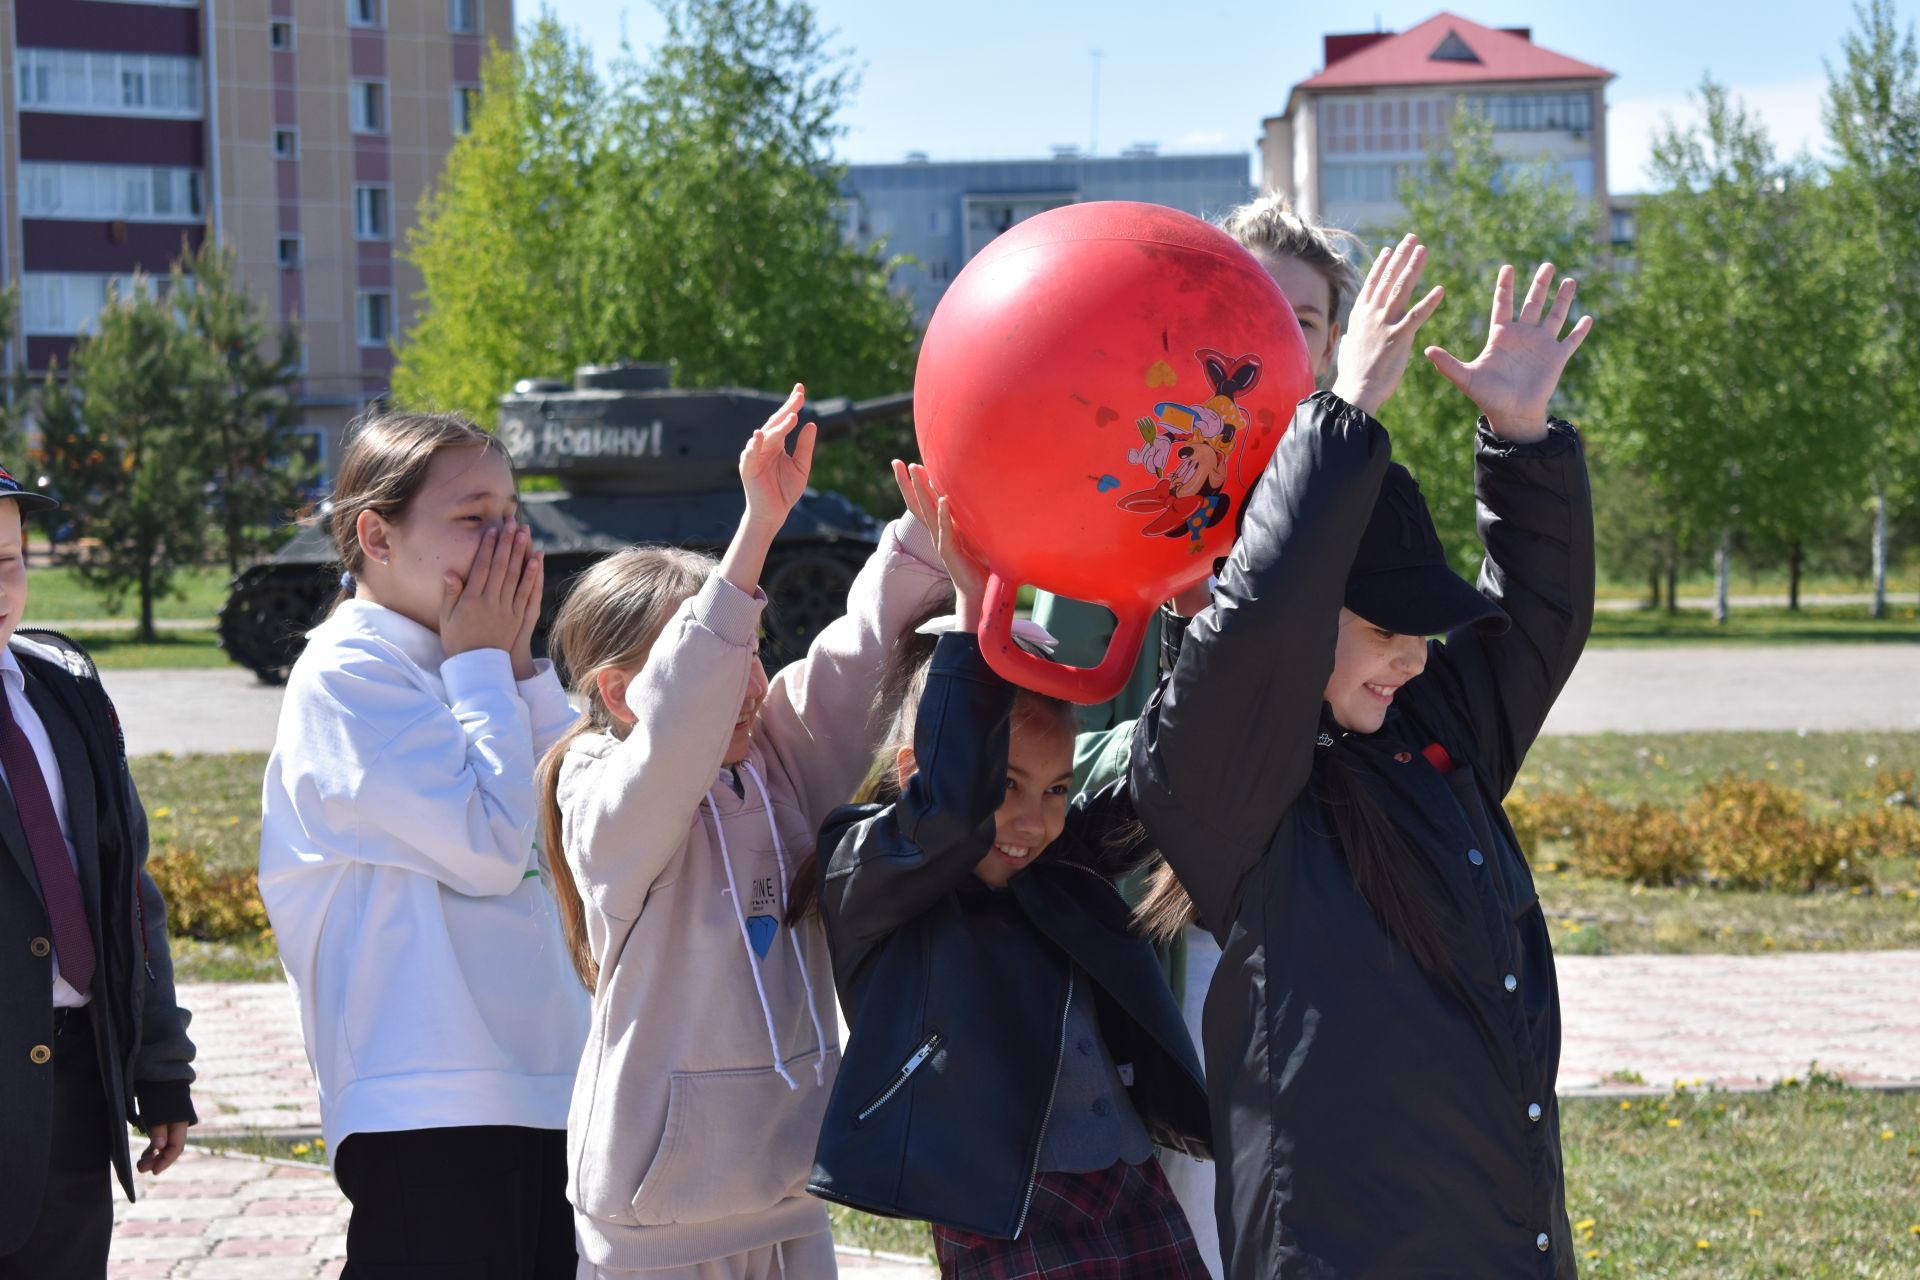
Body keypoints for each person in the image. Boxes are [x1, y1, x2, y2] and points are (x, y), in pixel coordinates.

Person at [1130, 235, 1596, 1277]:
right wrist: (1338, 417)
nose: (1416, 651)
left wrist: (1521, 440)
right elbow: (1250, 624)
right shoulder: (1227, 789)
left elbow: (1535, 622)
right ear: (1302, 617)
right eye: (1385, 622)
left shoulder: (1432, 734)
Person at [541, 387, 949, 1280]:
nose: (753, 676)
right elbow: (673, 740)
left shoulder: (774, 762)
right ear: (620, 695)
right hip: (655, 1218)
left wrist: (929, 537)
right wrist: (756, 530)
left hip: (788, 1191)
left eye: (753, 649)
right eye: (724, 655)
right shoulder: (601, 794)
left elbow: (859, 656)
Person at [1031, 192, 1365, 1275]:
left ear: (1331, 346)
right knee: (1196, 1207)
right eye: (1251, 301)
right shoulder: (1124, 501)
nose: (1274, 330)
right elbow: (1060, 737)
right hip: (1166, 933)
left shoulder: (1363, 506)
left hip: (1316, 917)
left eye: (1304, 317)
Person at [805, 462, 1212, 1279]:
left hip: (1127, 1188)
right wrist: (972, 613)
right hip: (1003, 1209)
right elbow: (951, 812)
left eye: (1058, 789)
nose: (1036, 819)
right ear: (919, 769)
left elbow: (1169, 775)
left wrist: (1188, 617)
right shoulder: (869, 874)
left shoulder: (1058, 866)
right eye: (1011, 788)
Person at [258, 412, 588, 1278]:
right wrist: (487, 663)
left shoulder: (479, 659)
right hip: (426, 1102)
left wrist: (518, 666)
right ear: (375, 534)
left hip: (550, 1083)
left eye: (513, 514)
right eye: (474, 517)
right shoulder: (348, 670)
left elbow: (575, 829)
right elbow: (488, 848)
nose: (507, 542)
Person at [0, 465, 197, 1279]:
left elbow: (126, 895)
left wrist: (158, 1060)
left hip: (72, 1091)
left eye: (7, 562)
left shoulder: (59, 694)